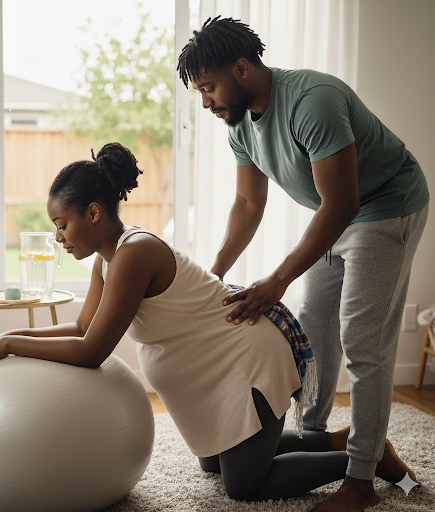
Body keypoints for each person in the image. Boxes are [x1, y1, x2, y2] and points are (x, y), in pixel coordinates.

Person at [0, 143, 415, 505]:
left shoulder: (135, 253)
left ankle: (362, 461)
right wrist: (7, 340)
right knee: (214, 466)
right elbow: (80, 328)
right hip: (216, 370)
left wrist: (12, 343)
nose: (58, 238)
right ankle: (342, 438)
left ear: (93, 213)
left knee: (244, 487)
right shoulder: (107, 259)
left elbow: (94, 350)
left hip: (245, 358)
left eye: (62, 225)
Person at [177, 16, 429, 512]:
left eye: (209, 87)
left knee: (363, 341)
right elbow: (249, 206)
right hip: (334, 212)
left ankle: (361, 481)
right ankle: (314, 442)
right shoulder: (241, 126)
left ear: (243, 68)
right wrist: (214, 275)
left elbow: (342, 203)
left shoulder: (313, 100)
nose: (205, 102)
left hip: (385, 204)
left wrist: (277, 279)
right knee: (311, 334)